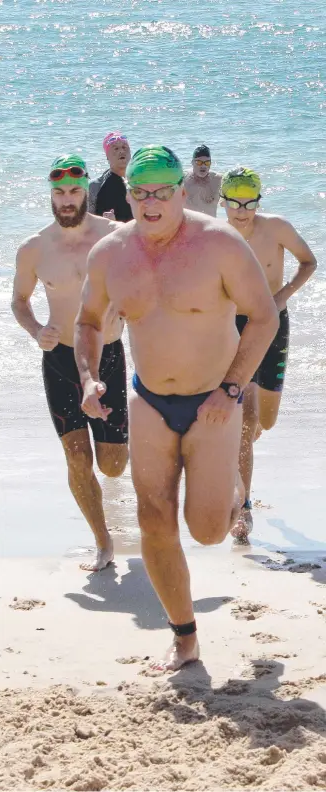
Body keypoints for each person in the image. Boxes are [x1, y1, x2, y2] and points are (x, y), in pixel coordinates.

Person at [74, 145, 279, 671]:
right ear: (129, 195)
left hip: (215, 400)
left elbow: (262, 318)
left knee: (208, 530)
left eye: (162, 191)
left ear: (183, 192)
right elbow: (90, 324)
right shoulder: (111, 254)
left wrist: (233, 388)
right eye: (140, 192)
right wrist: (91, 378)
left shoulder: (221, 244)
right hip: (149, 399)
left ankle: (234, 495)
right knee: (154, 518)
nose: (150, 202)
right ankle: (184, 636)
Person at [11, 154, 128, 572]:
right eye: (58, 192)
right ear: (50, 195)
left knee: (113, 465)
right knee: (77, 457)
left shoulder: (115, 236)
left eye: (74, 191)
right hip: (59, 359)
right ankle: (103, 542)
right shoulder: (34, 248)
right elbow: (20, 301)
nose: (66, 200)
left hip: (108, 355)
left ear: (85, 194)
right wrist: (34, 328)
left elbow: (148, 283)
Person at [220, 167, 317, 541]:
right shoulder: (219, 236)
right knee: (245, 420)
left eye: (249, 203)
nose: (242, 211)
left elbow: (308, 262)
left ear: (259, 201)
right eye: (234, 204)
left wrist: (281, 297)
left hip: (274, 323)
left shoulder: (276, 227)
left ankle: (249, 432)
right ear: (224, 202)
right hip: (236, 327)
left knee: (266, 421)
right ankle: (243, 508)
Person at [88, 132, 133, 222]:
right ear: (107, 156)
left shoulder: (141, 182)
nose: (121, 151)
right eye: (116, 148)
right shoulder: (95, 186)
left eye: (124, 147)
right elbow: (87, 223)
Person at [184, 144, 221, 217]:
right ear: (192, 162)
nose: (203, 166)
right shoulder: (183, 179)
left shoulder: (218, 180)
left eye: (207, 162)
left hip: (210, 226)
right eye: (199, 162)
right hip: (189, 226)